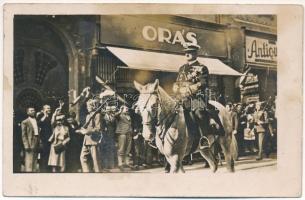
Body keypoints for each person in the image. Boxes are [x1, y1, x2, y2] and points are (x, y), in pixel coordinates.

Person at [172, 42, 225, 150]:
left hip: (197, 98)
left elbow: (203, 83)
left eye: (190, 52)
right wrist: (176, 88)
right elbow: (177, 82)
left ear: (195, 54)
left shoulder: (202, 68)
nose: (187, 54)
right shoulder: (182, 68)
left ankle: (204, 139)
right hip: (182, 98)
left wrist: (189, 89)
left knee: (199, 113)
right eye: (186, 52)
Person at [77, 99, 102, 173]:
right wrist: (81, 130)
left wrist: (87, 131)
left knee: (96, 161)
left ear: (93, 106)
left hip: (93, 140)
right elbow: (87, 126)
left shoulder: (97, 115)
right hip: (86, 140)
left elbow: (98, 129)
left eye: (89, 106)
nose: (87, 107)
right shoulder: (88, 116)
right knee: (83, 158)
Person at [21, 107, 42, 172]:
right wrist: (26, 145)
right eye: (31, 110)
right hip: (30, 143)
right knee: (29, 160)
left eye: (34, 110)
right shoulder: (25, 122)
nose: (33, 111)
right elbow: (24, 135)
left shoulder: (36, 121)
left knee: (35, 159)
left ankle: (34, 172)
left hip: (37, 141)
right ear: (27, 112)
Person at [115, 105, 133, 171]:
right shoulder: (119, 115)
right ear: (122, 109)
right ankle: (120, 164)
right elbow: (115, 116)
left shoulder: (129, 116)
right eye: (126, 108)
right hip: (122, 133)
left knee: (128, 149)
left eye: (127, 108)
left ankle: (126, 163)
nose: (127, 109)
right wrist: (120, 111)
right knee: (121, 149)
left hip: (129, 133)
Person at [36, 104, 53, 172]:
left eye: (49, 108)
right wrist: (44, 114)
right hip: (43, 139)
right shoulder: (40, 116)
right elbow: (39, 124)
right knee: (43, 155)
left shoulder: (50, 116)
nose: (49, 109)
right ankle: (43, 170)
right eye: (47, 108)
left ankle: (48, 170)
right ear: (43, 110)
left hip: (50, 139)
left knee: (49, 155)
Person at [100, 106, 117, 170]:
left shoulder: (113, 117)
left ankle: (111, 165)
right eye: (107, 109)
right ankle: (105, 166)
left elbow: (115, 127)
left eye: (109, 110)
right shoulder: (102, 118)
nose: (108, 111)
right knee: (105, 151)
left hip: (112, 136)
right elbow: (102, 128)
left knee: (112, 151)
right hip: (105, 137)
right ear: (105, 110)